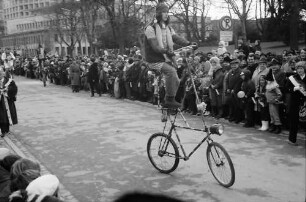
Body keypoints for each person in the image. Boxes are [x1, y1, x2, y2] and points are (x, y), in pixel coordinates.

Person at [144, 1, 197, 108]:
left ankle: (170, 102)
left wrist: (189, 43)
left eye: (167, 12)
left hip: (164, 58)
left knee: (176, 80)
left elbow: (176, 38)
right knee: (171, 72)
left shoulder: (167, 28)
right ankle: (169, 100)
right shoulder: (150, 28)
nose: (166, 14)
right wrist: (166, 51)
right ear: (158, 14)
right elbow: (155, 47)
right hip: (154, 60)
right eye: (163, 12)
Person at [286, 61, 306, 146]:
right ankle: (292, 139)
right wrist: (294, 88)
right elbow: (286, 89)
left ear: (304, 69)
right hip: (295, 102)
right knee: (294, 121)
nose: (299, 70)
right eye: (298, 68)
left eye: (301, 68)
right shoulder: (292, 78)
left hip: (305, 102)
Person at [0, 69, 18, 138]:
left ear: (3, 73)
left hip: (7, 101)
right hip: (0, 102)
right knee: (1, 116)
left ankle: (6, 130)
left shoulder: (9, 81)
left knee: (7, 116)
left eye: (1, 73)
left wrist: (7, 91)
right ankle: (3, 130)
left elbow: (14, 89)